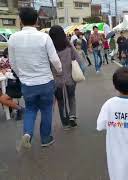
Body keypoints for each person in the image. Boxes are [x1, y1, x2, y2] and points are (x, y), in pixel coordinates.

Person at [8, 7, 62, 148]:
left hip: (27, 83)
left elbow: (12, 62)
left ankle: (28, 133)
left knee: (30, 109)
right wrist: (59, 70)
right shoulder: (44, 37)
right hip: (45, 81)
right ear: (36, 20)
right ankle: (46, 139)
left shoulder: (13, 38)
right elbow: (55, 60)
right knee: (46, 110)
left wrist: (21, 75)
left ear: (20, 20)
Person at [49, 25, 81, 130]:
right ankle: (72, 116)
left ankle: (65, 123)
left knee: (61, 101)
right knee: (71, 97)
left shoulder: (50, 48)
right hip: (70, 78)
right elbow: (78, 59)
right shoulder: (68, 45)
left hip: (56, 80)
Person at [0, 48, 24, 120]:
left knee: (2, 98)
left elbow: (15, 76)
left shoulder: (17, 62)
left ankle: (20, 109)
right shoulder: (15, 61)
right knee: (0, 93)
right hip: (13, 85)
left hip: (17, 86)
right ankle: (11, 109)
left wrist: (5, 73)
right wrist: (8, 70)